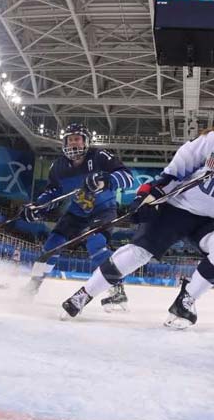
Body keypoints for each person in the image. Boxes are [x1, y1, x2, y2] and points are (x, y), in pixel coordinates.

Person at [60, 97, 214, 328]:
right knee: (137, 253)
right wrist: (146, 197)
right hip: (177, 209)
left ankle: (185, 301)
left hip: (213, 219)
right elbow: (174, 173)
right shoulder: (213, 140)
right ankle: (84, 294)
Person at [21, 123, 133, 310]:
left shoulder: (100, 156)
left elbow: (127, 177)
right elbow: (53, 193)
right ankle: (33, 285)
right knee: (51, 246)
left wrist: (106, 180)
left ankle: (116, 290)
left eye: (77, 139)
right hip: (77, 212)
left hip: (103, 209)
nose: (73, 143)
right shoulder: (58, 166)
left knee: (96, 244)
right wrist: (38, 207)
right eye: (70, 139)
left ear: (86, 142)